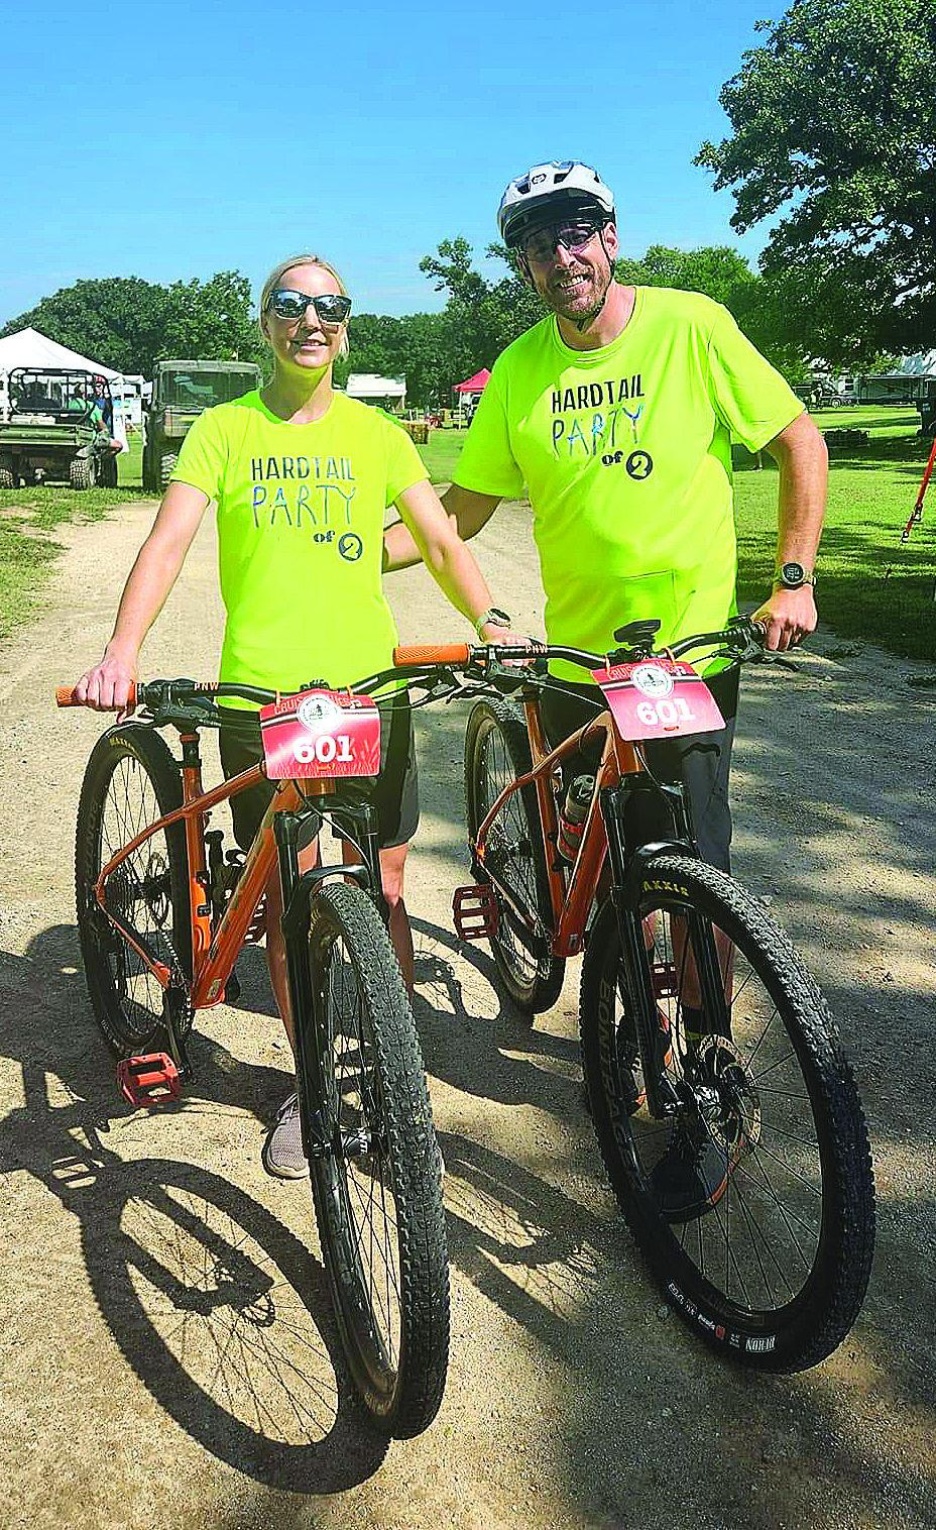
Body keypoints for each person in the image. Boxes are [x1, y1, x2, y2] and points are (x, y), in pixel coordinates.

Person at [74, 251, 520, 1179]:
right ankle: (311, 1082)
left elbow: (440, 540)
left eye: (330, 307)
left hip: (370, 694)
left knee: (384, 887)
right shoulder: (225, 429)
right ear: (266, 322)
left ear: (345, 327)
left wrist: (492, 622)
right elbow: (168, 543)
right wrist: (123, 649)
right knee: (293, 890)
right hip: (266, 696)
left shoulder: (377, 433)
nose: (312, 320)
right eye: (291, 304)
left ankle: (392, 1078)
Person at [384, 159, 827, 879]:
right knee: (595, 872)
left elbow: (800, 442)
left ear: (611, 240)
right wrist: (353, 552)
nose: (563, 258)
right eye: (540, 248)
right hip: (577, 665)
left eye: (577, 235)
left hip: (689, 662)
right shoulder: (517, 370)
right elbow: (459, 513)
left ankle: (696, 959)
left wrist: (793, 581)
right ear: (526, 268)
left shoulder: (692, 325)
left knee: (701, 870)